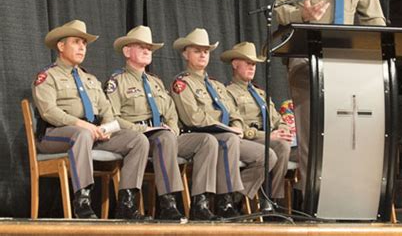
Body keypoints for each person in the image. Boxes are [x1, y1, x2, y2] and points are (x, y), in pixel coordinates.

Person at [274, 0, 387, 196]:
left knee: (344, 129)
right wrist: (303, 13)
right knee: (312, 130)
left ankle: (342, 193)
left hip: (347, 61)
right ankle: (311, 195)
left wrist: (391, 45)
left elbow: (374, 17)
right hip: (307, 58)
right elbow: (277, 12)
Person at [32, 20, 149, 220]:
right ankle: (83, 201)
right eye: (76, 42)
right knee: (81, 134)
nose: (81, 47)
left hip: (91, 134)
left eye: (84, 44)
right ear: (61, 46)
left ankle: (127, 203)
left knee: (138, 140)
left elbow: (107, 110)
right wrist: (82, 124)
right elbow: (48, 111)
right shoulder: (47, 76)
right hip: (54, 135)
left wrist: (107, 128)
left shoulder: (90, 79)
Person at [104, 25, 219, 221]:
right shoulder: (118, 81)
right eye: (141, 46)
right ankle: (168, 203)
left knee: (207, 141)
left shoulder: (155, 82)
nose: (147, 51)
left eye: (149, 48)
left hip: (164, 136)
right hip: (135, 138)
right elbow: (112, 117)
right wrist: (141, 129)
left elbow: (171, 113)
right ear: (126, 51)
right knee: (165, 139)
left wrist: (173, 129)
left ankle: (200, 204)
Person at [170, 28, 276, 217]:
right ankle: (215, 202)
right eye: (197, 51)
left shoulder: (217, 85)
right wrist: (227, 128)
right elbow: (193, 118)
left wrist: (236, 125)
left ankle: (235, 197)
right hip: (199, 136)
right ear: (186, 54)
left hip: (227, 136)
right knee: (228, 139)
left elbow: (234, 113)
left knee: (267, 156)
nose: (203, 54)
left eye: (206, 51)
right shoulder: (182, 83)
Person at [221, 41, 293, 206]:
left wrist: (283, 130)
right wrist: (268, 135)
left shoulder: (260, 93)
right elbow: (236, 125)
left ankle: (272, 200)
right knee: (275, 149)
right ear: (235, 63)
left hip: (268, 138)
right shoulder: (227, 92)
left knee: (283, 145)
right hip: (247, 139)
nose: (252, 67)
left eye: (254, 64)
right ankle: (237, 198)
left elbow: (278, 119)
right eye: (248, 62)